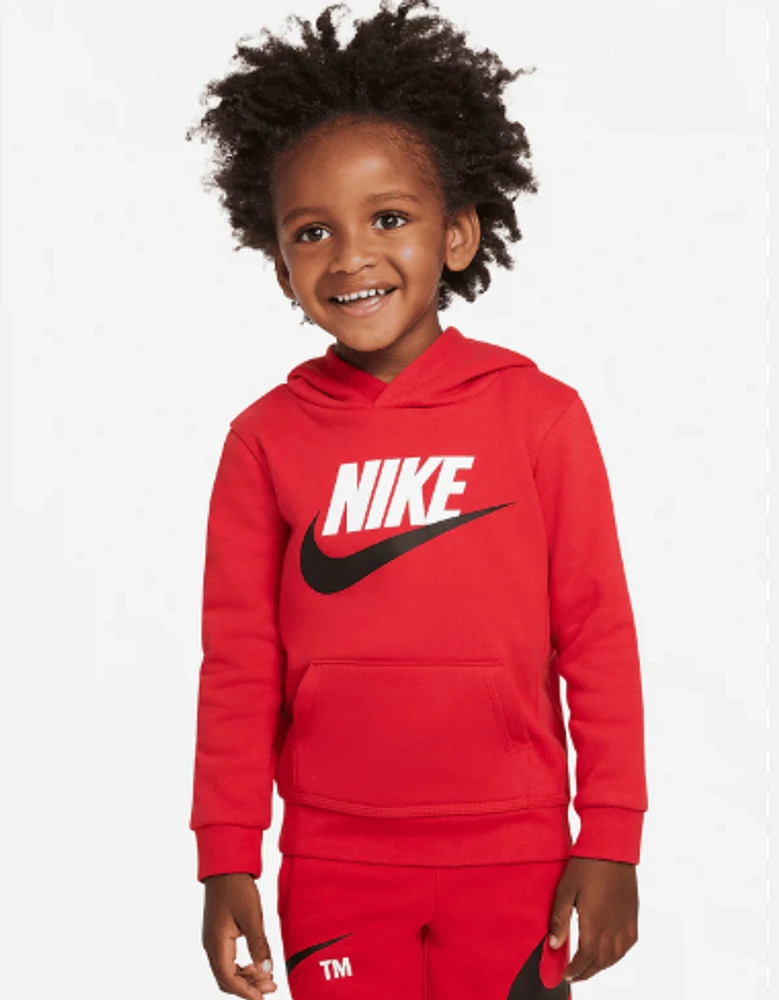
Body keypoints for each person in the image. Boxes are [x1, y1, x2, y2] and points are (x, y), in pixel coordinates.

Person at [185, 1, 649, 997]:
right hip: (334, 857)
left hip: (514, 854)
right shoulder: (264, 440)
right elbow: (237, 664)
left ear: (458, 234)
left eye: (388, 218)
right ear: (279, 262)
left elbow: (597, 637)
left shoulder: (539, 417)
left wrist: (609, 837)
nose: (351, 255)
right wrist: (225, 853)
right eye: (312, 231)